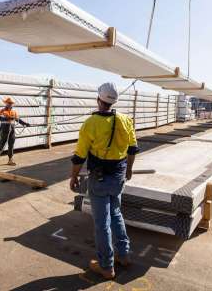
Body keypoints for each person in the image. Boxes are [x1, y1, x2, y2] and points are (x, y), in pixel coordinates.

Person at [69, 82, 139, 279]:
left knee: (102, 223)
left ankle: (106, 266)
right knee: (116, 213)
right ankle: (124, 255)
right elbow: (132, 149)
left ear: (98, 99)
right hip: (119, 175)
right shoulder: (125, 120)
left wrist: (74, 177)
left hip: (99, 178)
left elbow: (79, 157)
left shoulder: (90, 123)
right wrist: (129, 170)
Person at [0, 97, 31, 166]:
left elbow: (18, 119)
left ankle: (10, 160)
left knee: (11, 144)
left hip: (12, 129)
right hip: (4, 128)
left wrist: (25, 123)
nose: (10, 104)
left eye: (11, 103)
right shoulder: (2, 111)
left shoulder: (14, 112)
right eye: (9, 103)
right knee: (2, 143)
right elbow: (0, 118)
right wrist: (8, 118)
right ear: (6, 103)